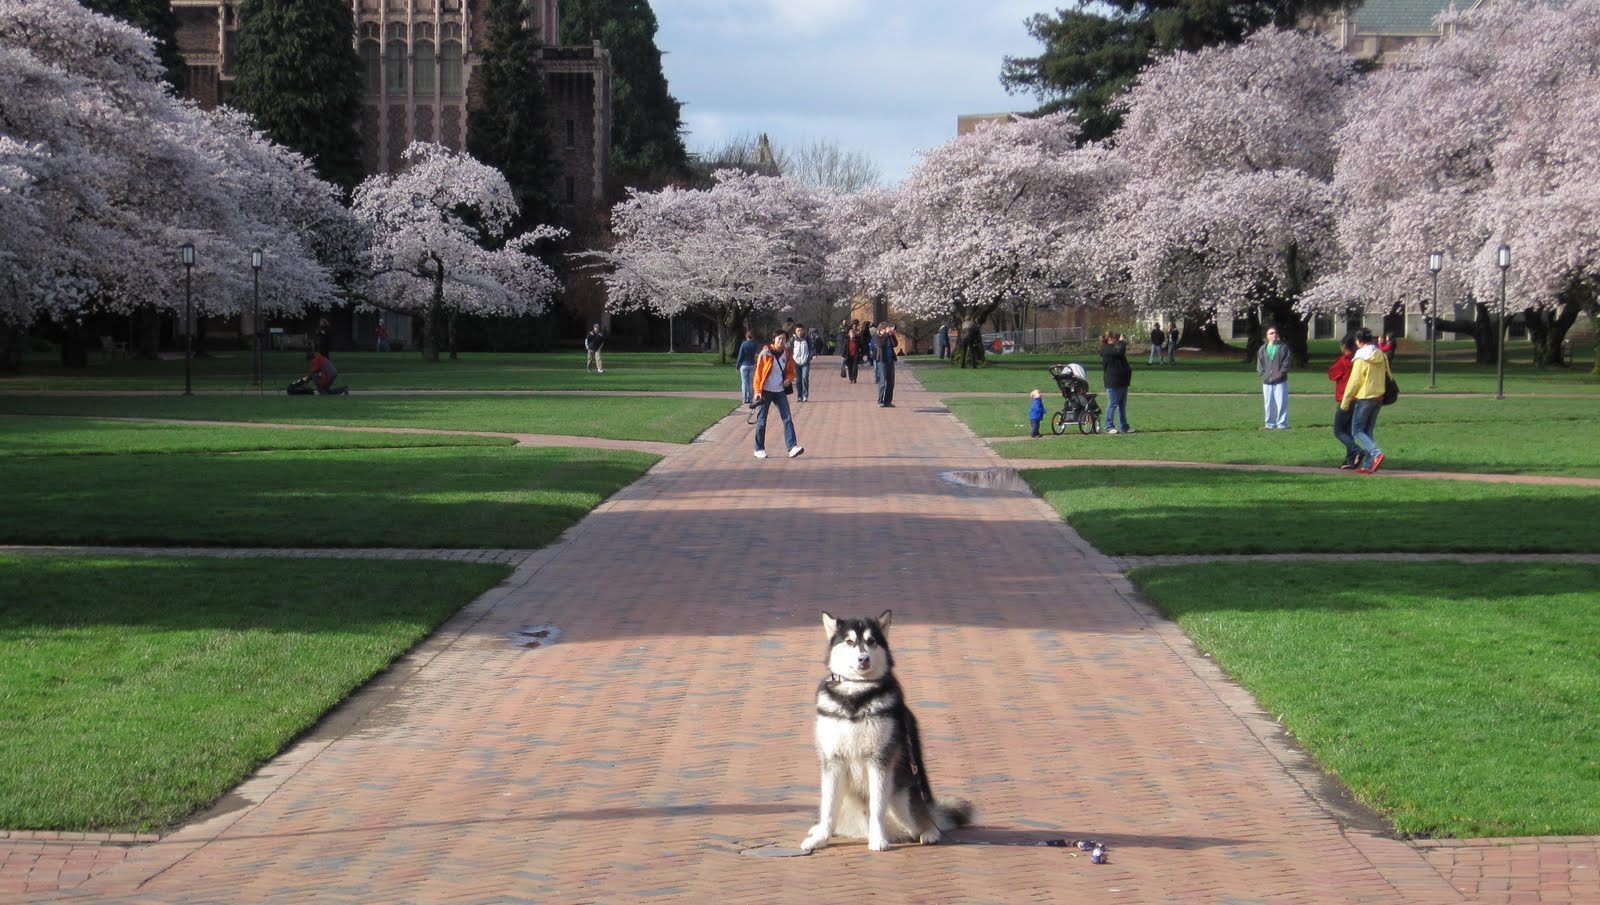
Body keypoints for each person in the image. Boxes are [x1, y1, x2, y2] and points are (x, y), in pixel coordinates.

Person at [1341, 328, 1391, 473]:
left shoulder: (1361, 357)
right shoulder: (1380, 354)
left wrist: (1345, 402)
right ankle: (1368, 465)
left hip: (1365, 396)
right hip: (1378, 396)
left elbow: (1354, 381)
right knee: (1367, 431)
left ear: (1358, 341)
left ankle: (1377, 453)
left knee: (1356, 431)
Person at [751, 330, 803, 459]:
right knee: (762, 420)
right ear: (773, 339)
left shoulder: (787, 354)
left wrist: (788, 380)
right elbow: (758, 374)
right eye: (779, 338)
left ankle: (792, 447)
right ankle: (759, 448)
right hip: (765, 391)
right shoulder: (765, 353)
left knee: (787, 419)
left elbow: (791, 371)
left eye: (784, 339)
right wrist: (757, 391)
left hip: (780, 391)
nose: (781, 341)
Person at [1327, 335, 1361, 469]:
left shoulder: (1343, 361)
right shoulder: (1359, 360)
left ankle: (1356, 450)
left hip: (1345, 398)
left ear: (1344, 346)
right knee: (1347, 430)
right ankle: (1350, 459)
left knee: (1339, 430)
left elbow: (1332, 374)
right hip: (1358, 397)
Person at [1256, 325, 1291, 429]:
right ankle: (1269, 424)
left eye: (1275, 333)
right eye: (1271, 333)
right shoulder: (1263, 348)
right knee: (1268, 404)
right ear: (1267, 336)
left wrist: (1281, 373)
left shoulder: (1283, 347)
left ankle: (1282, 424)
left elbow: (1287, 362)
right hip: (1267, 381)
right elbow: (1260, 364)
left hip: (1280, 381)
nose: (1274, 335)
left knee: (1281, 403)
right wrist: (1263, 374)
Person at [1099, 331, 1134, 434]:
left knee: (1122, 405)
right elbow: (1119, 352)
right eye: (1116, 338)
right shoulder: (1106, 348)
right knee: (1112, 404)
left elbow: (1120, 353)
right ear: (1110, 338)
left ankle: (1124, 426)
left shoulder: (1115, 348)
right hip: (1113, 380)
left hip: (1122, 380)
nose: (1118, 340)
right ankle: (1109, 426)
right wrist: (1122, 343)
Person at [875, 324, 898, 407]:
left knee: (891, 382)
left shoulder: (888, 337)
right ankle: (880, 401)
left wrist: (892, 335)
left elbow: (895, 344)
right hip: (882, 361)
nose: (887, 330)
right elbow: (881, 345)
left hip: (890, 360)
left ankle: (888, 401)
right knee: (883, 381)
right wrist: (886, 335)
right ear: (882, 329)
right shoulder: (878, 337)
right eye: (886, 329)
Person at [735, 329, 761, 403]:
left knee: (744, 382)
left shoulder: (744, 344)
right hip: (752, 364)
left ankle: (744, 398)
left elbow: (740, 355)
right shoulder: (755, 344)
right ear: (752, 336)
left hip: (744, 365)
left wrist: (737, 366)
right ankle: (750, 398)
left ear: (746, 336)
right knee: (750, 382)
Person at [791, 323, 814, 402]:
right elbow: (789, 349)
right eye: (798, 330)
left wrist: (809, 357)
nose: (800, 332)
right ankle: (799, 396)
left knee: (804, 378)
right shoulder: (793, 339)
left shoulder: (807, 338)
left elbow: (811, 349)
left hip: (805, 362)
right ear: (795, 331)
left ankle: (805, 395)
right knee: (798, 380)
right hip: (796, 362)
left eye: (801, 330)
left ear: (803, 331)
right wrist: (791, 358)